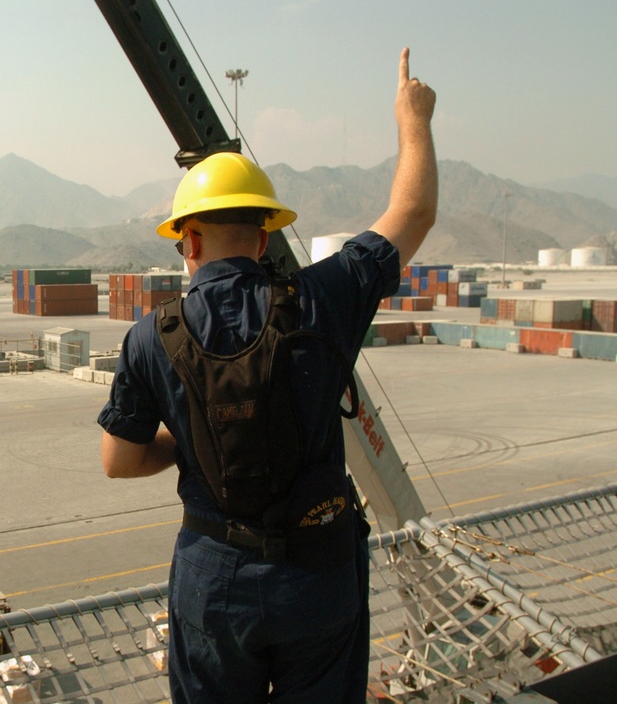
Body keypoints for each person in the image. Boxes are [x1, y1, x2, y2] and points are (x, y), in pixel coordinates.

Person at [97, 47, 437, 703]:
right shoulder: (323, 298)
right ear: (262, 238)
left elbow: (118, 460)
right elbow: (413, 214)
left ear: (188, 242)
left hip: (213, 577)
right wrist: (412, 116)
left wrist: (187, 442)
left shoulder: (149, 337)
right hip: (319, 572)